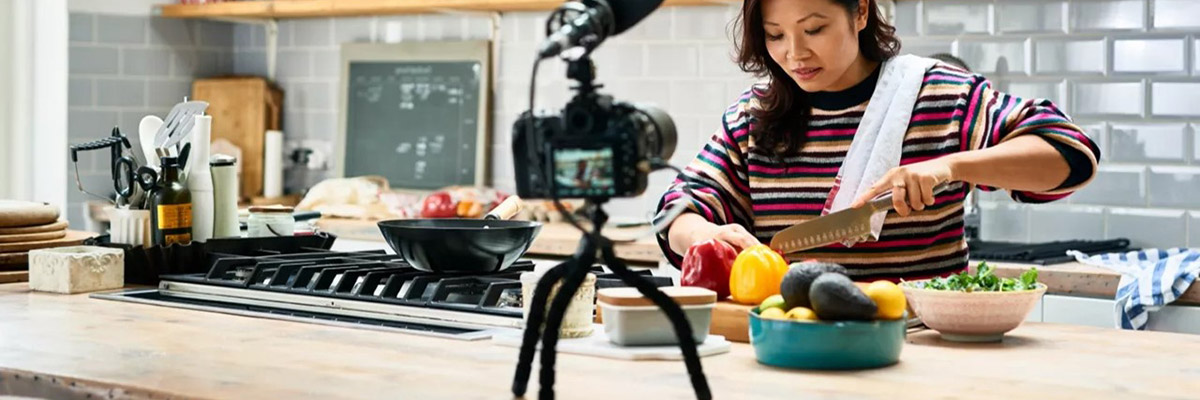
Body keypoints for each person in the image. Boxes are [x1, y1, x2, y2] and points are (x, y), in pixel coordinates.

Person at [656, 0, 1099, 281]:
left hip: (929, 354)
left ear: (860, 12)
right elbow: (676, 208)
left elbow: (1068, 153)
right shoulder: (754, 118)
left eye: (813, 29)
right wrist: (704, 235)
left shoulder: (938, 95)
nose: (794, 52)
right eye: (775, 35)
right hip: (794, 342)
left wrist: (950, 166)